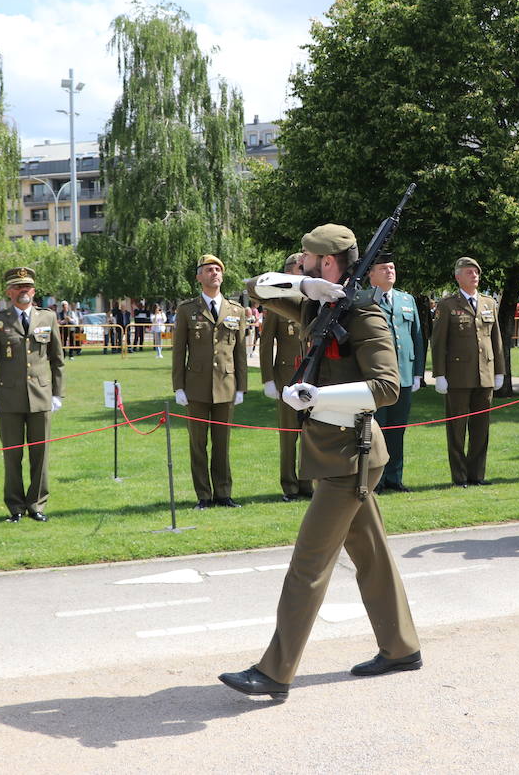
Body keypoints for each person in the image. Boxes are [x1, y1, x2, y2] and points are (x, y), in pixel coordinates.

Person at [219, 222, 419, 699]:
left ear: (327, 260)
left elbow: (388, 387)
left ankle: (275, 671)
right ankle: (400, 647)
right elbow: (253, 286)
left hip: (350, 455)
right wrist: (306, 285)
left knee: (308, 564)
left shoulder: (365, 315)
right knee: (371, 557)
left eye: (307, 260)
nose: (299, 263)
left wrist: (319, 397)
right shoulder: (316, 300)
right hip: (334, 451)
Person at [0, 267, 66, 523]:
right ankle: (16, 507)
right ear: (9, 292)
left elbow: (57, 360)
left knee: (40, 455)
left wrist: (57, 394)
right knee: (12, 455)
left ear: (34, 290)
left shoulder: (47, 318)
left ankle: (37, 504)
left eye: (27, 287)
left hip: (41, 396)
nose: (23, 291)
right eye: (18, 287)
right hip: (8, 398)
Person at [172, 254, 249, 509]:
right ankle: (203, 495)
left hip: (226, 386)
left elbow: (240, 353)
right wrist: (179, 386)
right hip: (196, 387)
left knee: (222, 443)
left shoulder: (236, 311)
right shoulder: (187, 310)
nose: (214, 273)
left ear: (222, 276)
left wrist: (242, 386)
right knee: (198, 444)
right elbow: (178, 351)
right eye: (208, 270)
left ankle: (223, 493)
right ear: (199, 277)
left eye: (217, 269)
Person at [430, 256, 503, 487]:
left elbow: (496, 339)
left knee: (481, 429)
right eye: (469, 272)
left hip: (485, 375)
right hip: (458, 376)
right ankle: (459, 477)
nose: (474, 276)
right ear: (458, 276)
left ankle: (477, 475)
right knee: (457, 430)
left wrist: (499, 371)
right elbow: (438, 342)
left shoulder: (489, 303)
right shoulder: (447, 304)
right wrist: (439, 374)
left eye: (476, 272)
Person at [369, 251, 426, 493]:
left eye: (392, 267)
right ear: (371, 274)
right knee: (377, 430)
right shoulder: (365, 301)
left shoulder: (406, 300)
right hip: (378, 378)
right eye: (383, 268)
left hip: (403, 374)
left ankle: (395, 478)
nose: (389, 271)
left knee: (397, 429)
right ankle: (377, 479)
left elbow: (418, 337)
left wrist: (417, 373)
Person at [259, 253, 311, 502]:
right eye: (302, 267)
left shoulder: (314, 297)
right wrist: (268, 379)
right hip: (287, 376)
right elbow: (267, 341)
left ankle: (308, 483)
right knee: (289, 433)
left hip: (314, 376)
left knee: (312, 432)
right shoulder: (277, 300)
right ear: (291, 270)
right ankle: (290, 486)